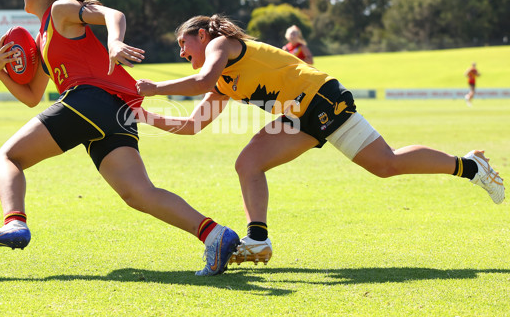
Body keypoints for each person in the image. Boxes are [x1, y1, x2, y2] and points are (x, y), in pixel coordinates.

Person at [135, 14, 505, 266]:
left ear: (203, 35)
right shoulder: (219, 81)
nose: (183, 53)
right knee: (248, 162)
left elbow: (198, 81)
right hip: (299, 115)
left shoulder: (220, 45)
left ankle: (471, 166)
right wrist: (143, 114)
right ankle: (258, 240)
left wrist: (153, 88)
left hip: (322, 97)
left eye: (184, 44)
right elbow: (193, 126)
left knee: (385, 164)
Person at [0, 0, 238, 276]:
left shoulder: (60, 11)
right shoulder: (42, 39)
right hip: (118, 111)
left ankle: (14, 224)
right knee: (138, 193)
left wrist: (115, 42)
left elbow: (112, 14)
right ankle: (215, 234)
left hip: (91, 100)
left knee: (6, 158)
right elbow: (32, 97)